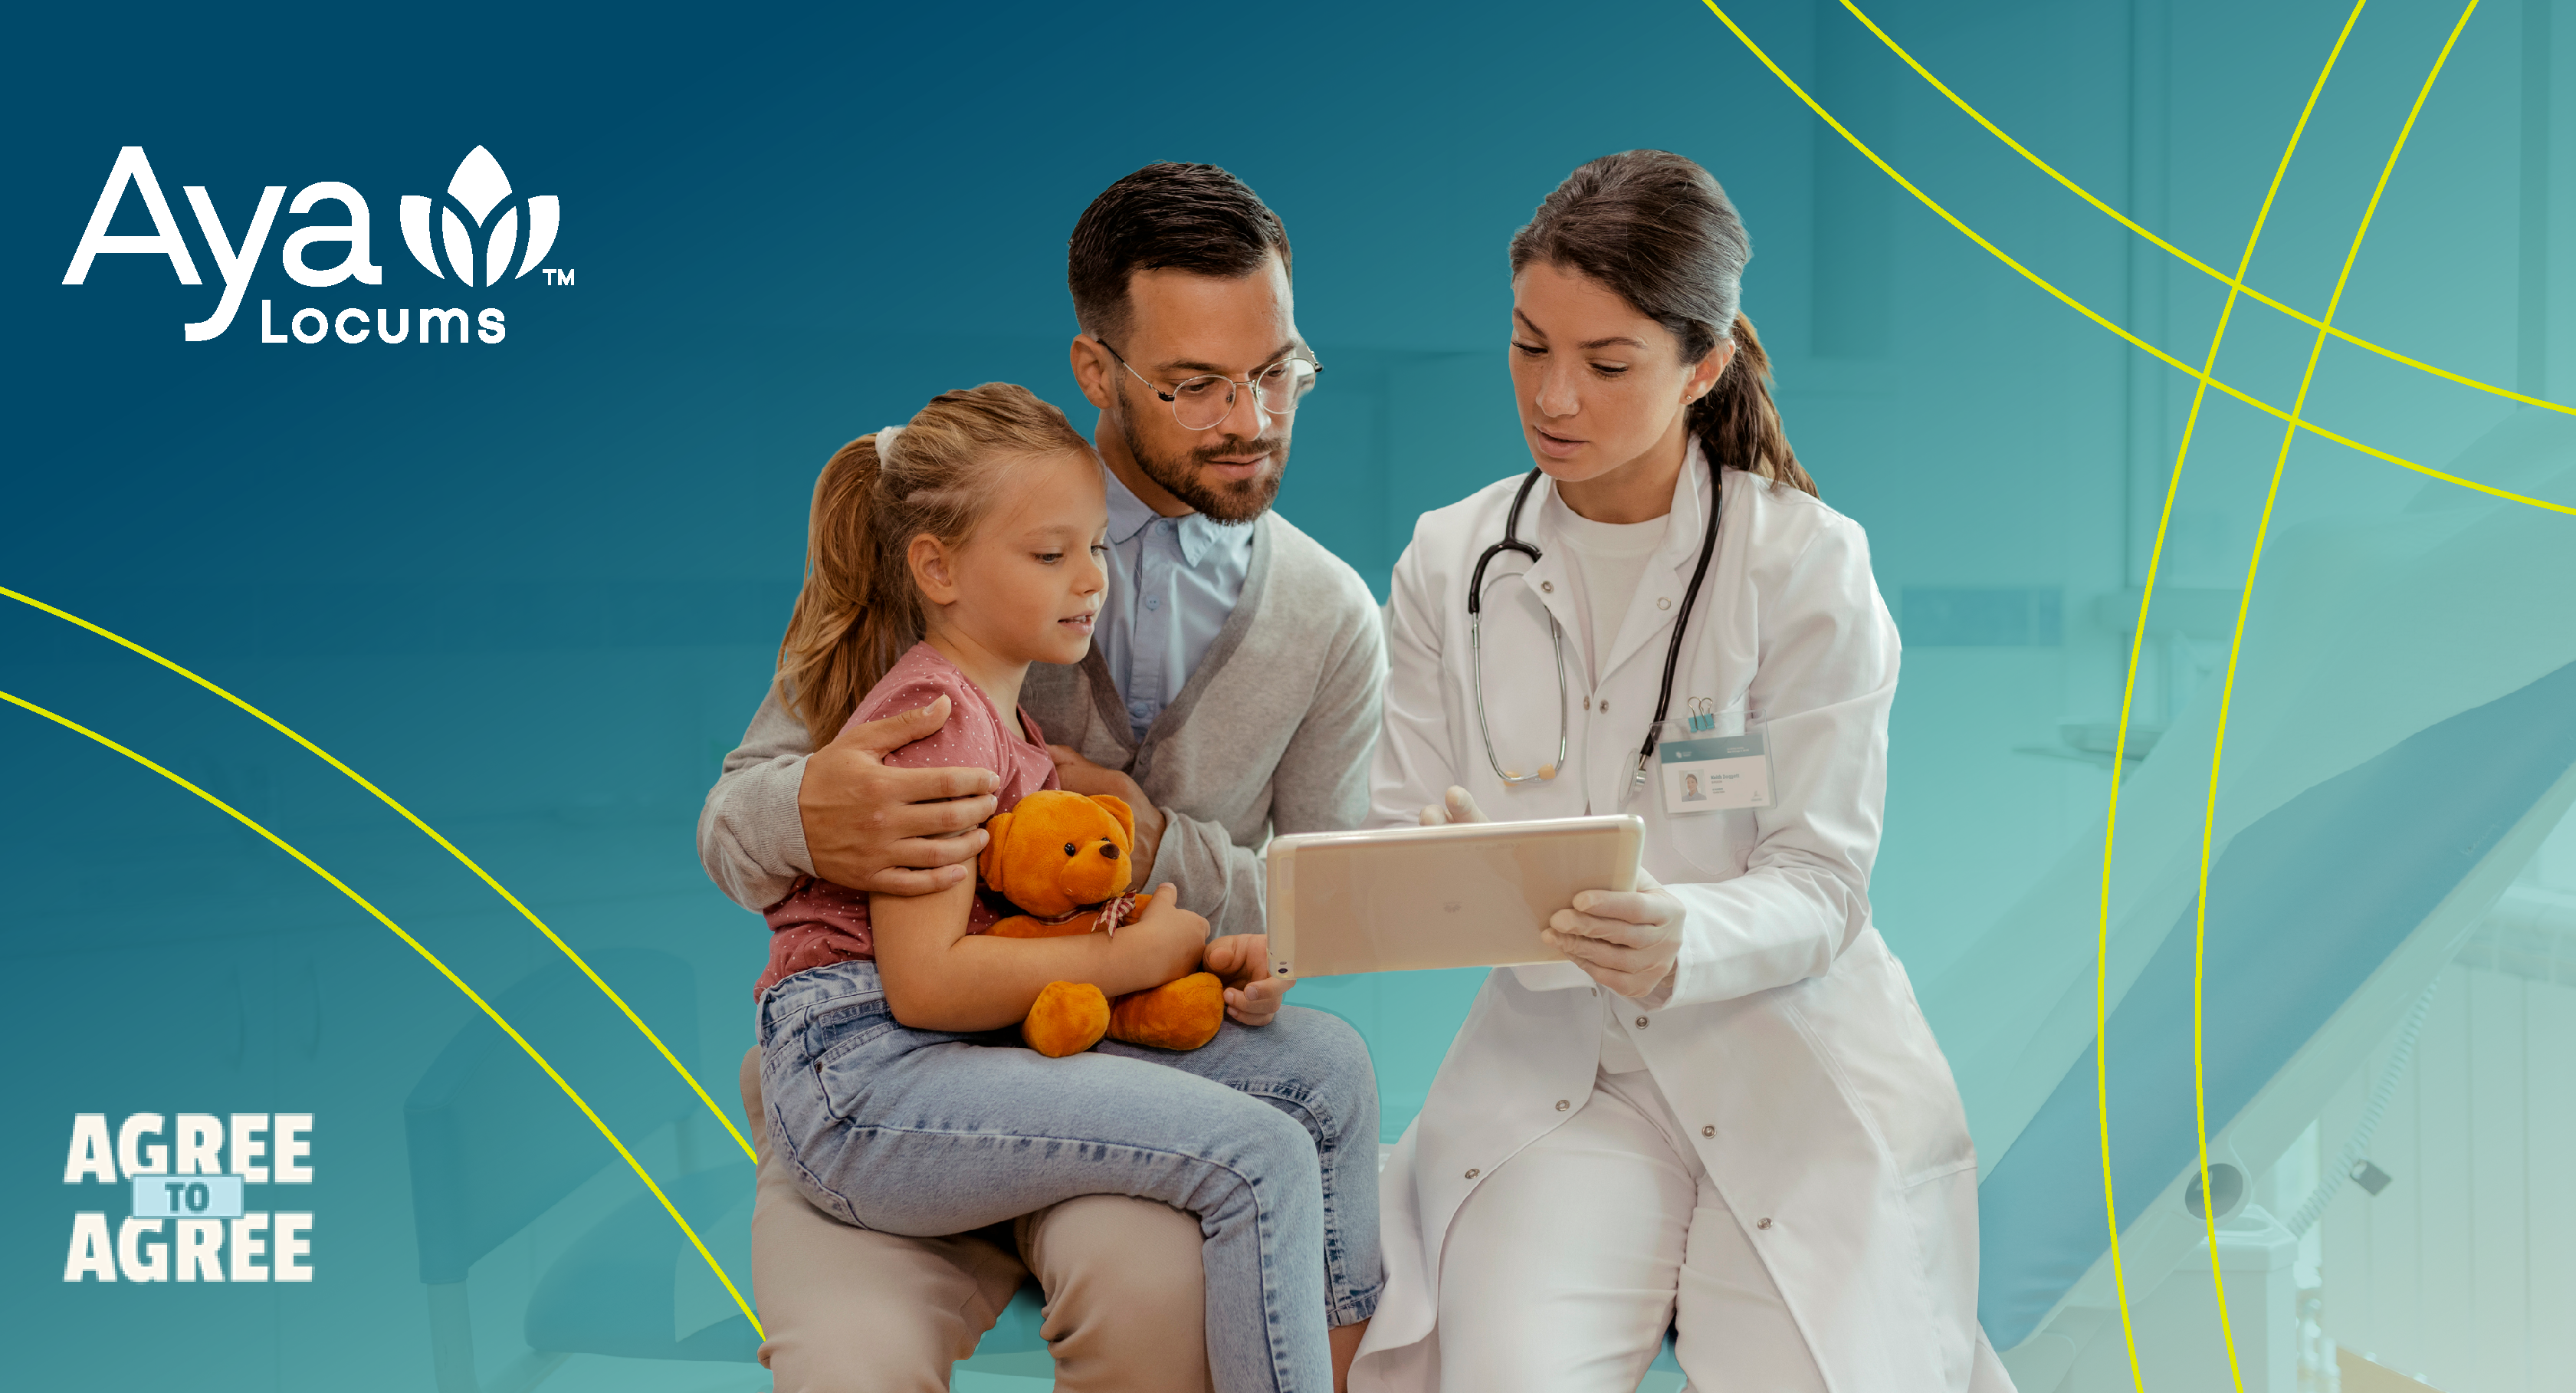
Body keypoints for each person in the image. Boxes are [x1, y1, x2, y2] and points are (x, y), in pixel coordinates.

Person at [701, 163, 1387, 1391]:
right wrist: (811, 812)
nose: (1251, 418)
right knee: (856, 1362)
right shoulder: (948, 539)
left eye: (1279, 371)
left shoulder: (1331, 616)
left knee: (1226, 1208)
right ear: (1097, 370)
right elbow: (746, 822)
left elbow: (1321, 900)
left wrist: (1165, 865)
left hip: (1110, 1054)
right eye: (1195, 384)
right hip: (897, 1065)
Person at [1349, 152, 2013, 1393]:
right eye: (1529, 346)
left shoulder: (1803, 565)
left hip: (1787, 1065)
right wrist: (1440, 871)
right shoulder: (1453, 559)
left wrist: (1683, 936)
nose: (1553, 396)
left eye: (1607, 365)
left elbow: (1823, 882)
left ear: (1702, 367)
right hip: (1565, 1077)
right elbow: (1398, 833)